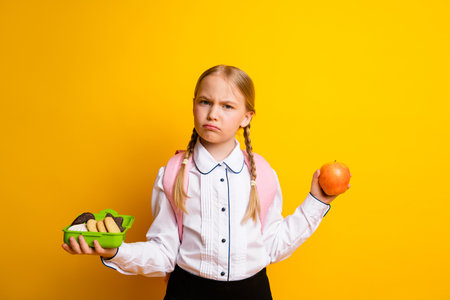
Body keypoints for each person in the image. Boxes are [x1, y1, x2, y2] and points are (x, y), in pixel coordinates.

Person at [62, 64, 350, 299]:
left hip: (252, 293)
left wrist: (317, 203)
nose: (213, 113)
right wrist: (115, 252)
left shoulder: (262, 174)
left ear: (246, 117)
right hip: (188, 292)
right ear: (194, 105)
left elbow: (272, 246)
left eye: (227, 106)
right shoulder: (173, 173)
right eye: (205, 102)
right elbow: (164, 253)